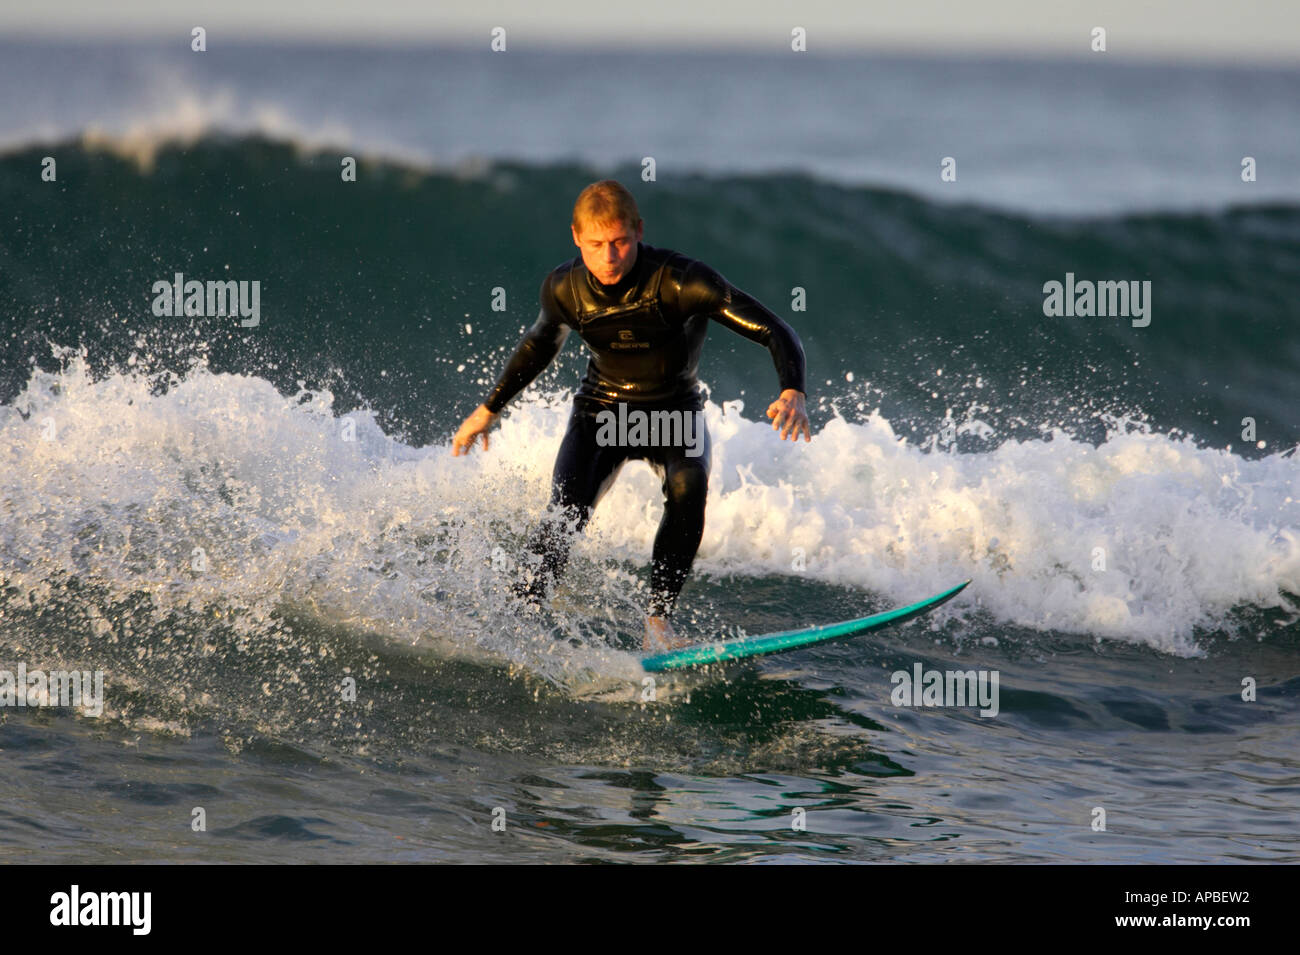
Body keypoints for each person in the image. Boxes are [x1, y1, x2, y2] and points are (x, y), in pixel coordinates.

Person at [452, 180, 810, 651]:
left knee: (689, 490)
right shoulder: (564, 288)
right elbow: (540, 344)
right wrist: (488, 410)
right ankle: (518, 616)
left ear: (639, 232)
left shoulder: (682, 280)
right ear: (577, 238)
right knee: (566, 510)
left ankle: (657, 621)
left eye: (620, 242)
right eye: (597, 245)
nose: (609, 257)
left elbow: (773, 328)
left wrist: (792, 391)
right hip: (602, 409)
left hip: (672, 410)